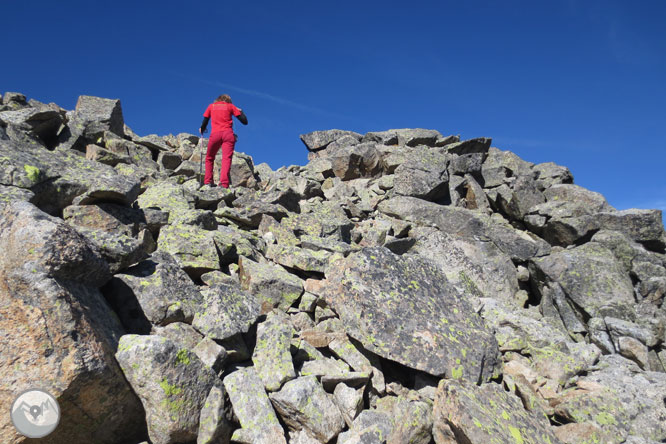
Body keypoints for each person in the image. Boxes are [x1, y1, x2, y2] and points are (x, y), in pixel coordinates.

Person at [199, 94, 248, 188]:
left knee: (209, 157)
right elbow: (244, 121)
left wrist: (202, 129)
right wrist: (240, 111)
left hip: (215, 135)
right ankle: (224, 184)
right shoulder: (230, 106)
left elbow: (205, 121)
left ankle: (208, 181)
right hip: (228, 135)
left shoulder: (211, 106)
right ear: (228, 100)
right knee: (226, 158)